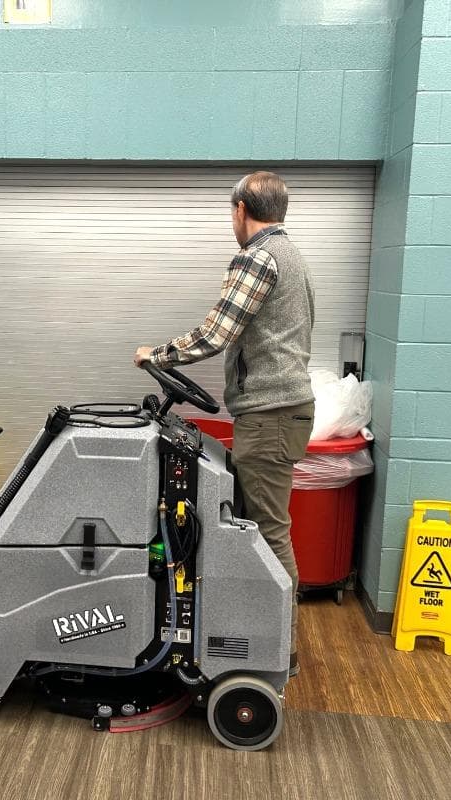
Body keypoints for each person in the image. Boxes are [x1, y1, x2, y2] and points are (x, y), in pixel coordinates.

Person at [134, 171, 315, 676]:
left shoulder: (256, 257)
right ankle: (255, 628)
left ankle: (278, 646)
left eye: (230, 212)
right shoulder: (292, 256)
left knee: (268, 530)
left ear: (241, 210)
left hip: (270, 415)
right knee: (254, 521)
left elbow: (216, 333)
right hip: (278, 412)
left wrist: (159, 356)